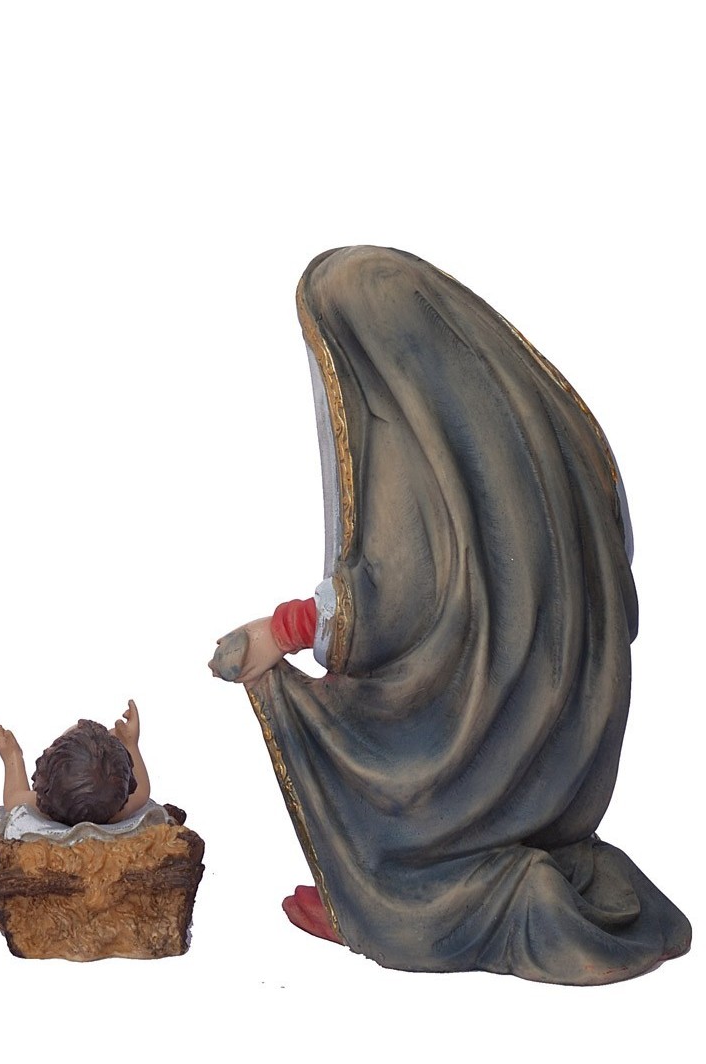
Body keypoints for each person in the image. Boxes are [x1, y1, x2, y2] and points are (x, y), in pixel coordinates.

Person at [210, 246, 691, 984]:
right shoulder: (538, 420)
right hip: (574, 743)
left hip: (476, 753)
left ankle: (389, 904)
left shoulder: (406, 446)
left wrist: (277, 632)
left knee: (337, 722)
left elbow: (387, 606)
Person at [0, 700, 153, 827]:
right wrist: (130, 744)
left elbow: (13, 799)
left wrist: (12, 756)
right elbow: (142, 791)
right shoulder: (116, 811)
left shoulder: (47, 805)